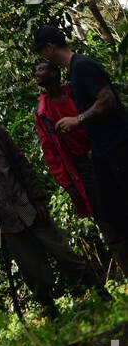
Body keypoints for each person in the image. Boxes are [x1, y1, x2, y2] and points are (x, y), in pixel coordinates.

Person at [0, 97, 107, 311]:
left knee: (64, 254)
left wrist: (38, 199)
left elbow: (21, 165)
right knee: (32, 271)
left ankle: (101, 293)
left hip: (29, 207)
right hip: (7, 221)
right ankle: (50, 312)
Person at [33, 25, 128, 274]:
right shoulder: (71, 76)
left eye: (42, 53)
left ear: (50, 48)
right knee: (113, 216)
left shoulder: (81, 67)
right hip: (102, 158)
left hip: (118, 149)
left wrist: (78, 120)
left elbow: (107, 100)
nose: (42, 59)